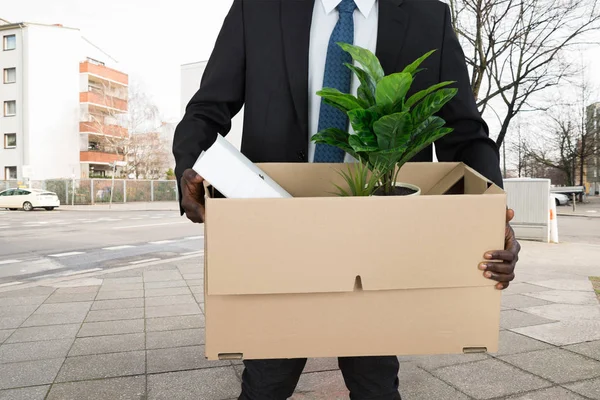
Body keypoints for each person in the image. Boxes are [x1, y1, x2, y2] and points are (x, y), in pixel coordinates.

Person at [173, 0, 521, 399]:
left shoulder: (428, 16)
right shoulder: (259, 9)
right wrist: (190, 170)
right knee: (266, 385)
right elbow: (206, 110)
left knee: (375, 385)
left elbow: (464, 130)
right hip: (278, 233)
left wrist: (494, 215)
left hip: (380, 240)